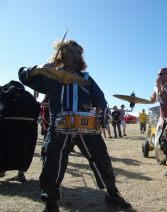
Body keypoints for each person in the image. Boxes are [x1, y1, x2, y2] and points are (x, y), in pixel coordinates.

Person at [18, 39, 131, 211]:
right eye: (70, 52)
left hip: (86, 127)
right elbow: (23, 76)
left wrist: (100, 109)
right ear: (60, 54)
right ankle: (51, 202)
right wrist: (40, 69)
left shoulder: (86, 78)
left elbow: (100, 98)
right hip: (59, 127)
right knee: (51, 164)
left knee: (102, 160)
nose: (76, 56)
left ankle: (112, 194)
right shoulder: (50, 75)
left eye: (79, 53)